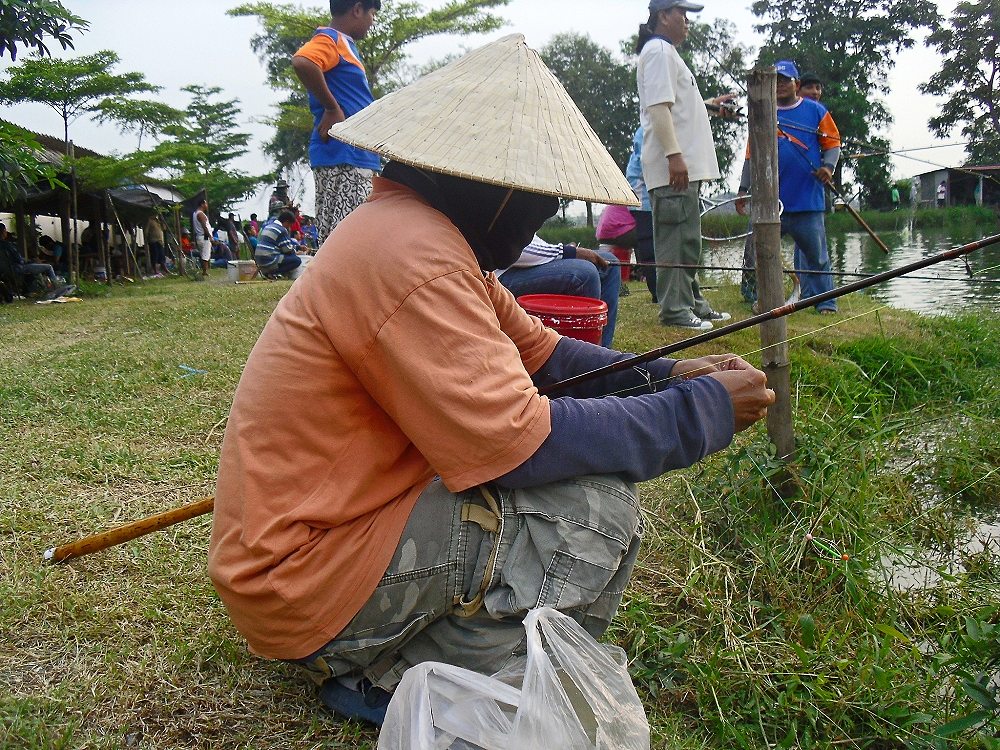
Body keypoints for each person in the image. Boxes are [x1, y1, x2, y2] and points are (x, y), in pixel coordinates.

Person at [207, 34, 774, 728]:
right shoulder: (411, 256)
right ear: (497, 185)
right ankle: (392, 670)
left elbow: (550, 360)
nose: (544, 212)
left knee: (578, 491)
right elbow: (528, 443)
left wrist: (671, 372)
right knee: (596, 510)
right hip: (307, 578)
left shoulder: (426, 239)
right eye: (539, 192)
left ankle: (426, 648)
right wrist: (699, 413)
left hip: (335, 536)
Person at [636, 0, 736, 330]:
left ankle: (692, 303)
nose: (687, 21)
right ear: (663, 15)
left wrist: (707, 106)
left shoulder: (664, 53)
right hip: (672, 168)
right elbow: (659, 109)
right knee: (675, 241)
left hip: (680, 168)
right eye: (682, 13)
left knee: (687, 240)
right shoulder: (659, 52)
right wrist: (674, 155)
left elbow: (675, 106)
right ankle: (676, 311)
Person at [737, 60, 841, 315]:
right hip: (769, 204)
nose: (781, 85)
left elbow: (833, 143)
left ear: (796, 84)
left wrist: (828, 167)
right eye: (776, 80)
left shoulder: (816, 111)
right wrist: (743, 189)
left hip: (807, 200)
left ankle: (825, 302)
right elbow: (751, 155)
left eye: (785, 80)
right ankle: (754, 296)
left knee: (817, 257)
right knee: (756, 253)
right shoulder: (762, 112)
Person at [292, 0, 382, 242]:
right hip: (343, 155)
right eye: (372, 14)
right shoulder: (332, 39)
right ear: (357, 9)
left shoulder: (347, 46)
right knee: (346, 236)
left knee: (356, 233)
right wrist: (332, 108)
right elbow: (303, 61)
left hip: (356, 155)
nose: (372, 22)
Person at [496, 235, 622, 348]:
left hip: (520, 265)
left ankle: (603, 349)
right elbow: (509, 248)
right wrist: (567, 252)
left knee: (610, 262)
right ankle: (586, 356)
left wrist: (561, 250)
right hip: (499, 275)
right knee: (585, 273)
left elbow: (529, 239)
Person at [625, 125, 657, 303]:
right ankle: (657, 292)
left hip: (641, 191)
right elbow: (645, 159)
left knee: (649, 244)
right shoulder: (646, 128)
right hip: (642, 193)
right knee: (649, 244)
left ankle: (658, 291)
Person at [0, 222, 58, 291]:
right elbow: (20, 260)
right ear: (4, 232)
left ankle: (29, 290)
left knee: (31, 272)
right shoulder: (8, 245)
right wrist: (33, 260)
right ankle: (57, 289)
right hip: (16, 268)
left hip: (3, 271)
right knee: (49, 267)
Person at [254, 210, 305, 278]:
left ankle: (270, 272)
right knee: (296, 260)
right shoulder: (281, 230)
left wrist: (298, 247)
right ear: (286, 221)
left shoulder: (269, 226)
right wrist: (297, 252)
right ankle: (273, 273)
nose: (289, 227)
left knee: (290, 256)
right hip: (269, 258)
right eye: (289, 224)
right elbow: (287, 250)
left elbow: (284, 246)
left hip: (260, 259)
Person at [192, 199, 213, 277]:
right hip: (204, 237)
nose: (207, 205)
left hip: (199, 236)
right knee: (205, 255)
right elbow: (204, 226)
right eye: (206, 203)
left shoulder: (195, 213)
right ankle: (205, 271)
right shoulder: (200, 214)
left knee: (203, 254)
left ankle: (205, 270)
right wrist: (210, 236)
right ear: (202, 204)